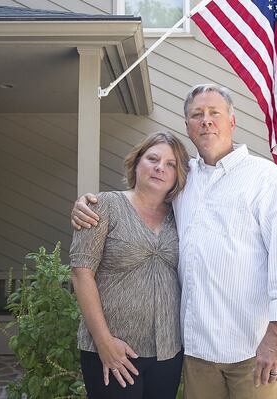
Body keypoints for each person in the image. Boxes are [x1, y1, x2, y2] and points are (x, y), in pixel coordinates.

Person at [72, 84, 277, 399]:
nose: (206, 121)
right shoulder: (184, 180)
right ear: (188, 126)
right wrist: (85, 205)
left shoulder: (266, 179)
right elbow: (138, 207)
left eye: (214, 113)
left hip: (251, 347)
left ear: (232, 122)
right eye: (197, 115)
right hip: (197, 352)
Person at [69, 131, 190, 399]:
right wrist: (104, 342)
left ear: (178, 175)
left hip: (167, 350)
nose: (160, 168)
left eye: (171, 164)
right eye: (153, 159)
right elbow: (81, 273)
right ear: (136, 163)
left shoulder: (182, 214)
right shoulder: (103, 206)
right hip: (113, 350)